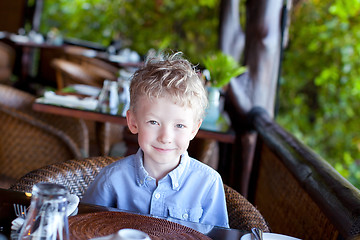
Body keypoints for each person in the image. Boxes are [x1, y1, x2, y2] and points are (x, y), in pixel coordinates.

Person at [82, 52, 229, 228]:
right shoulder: (111, 179)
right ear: (133, 122)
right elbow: (85, 228)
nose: (165, 137)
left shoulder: (208, 183)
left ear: (194, 129)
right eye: (153, 122)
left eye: (179, 126)